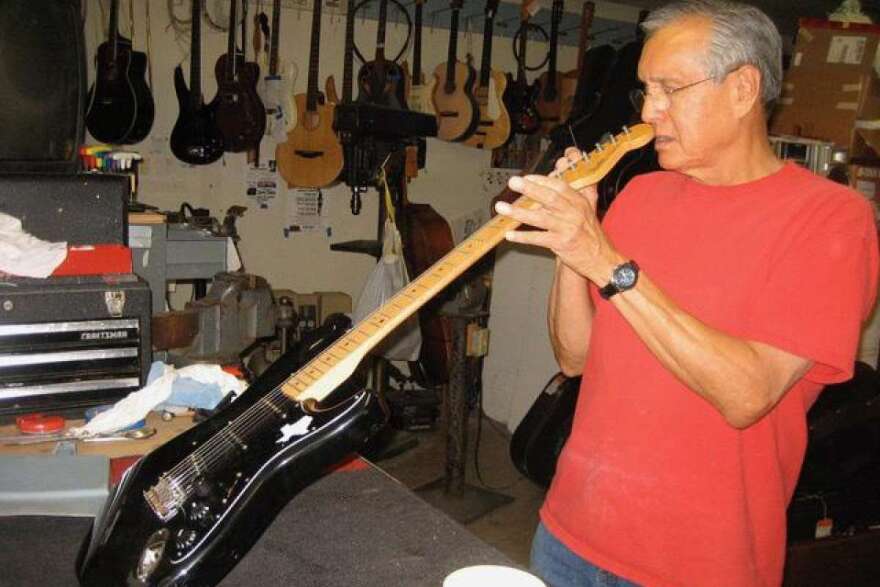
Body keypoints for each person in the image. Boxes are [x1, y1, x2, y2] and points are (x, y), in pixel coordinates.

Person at [494, 1, 879, 586]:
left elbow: (746, 394)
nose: (650, 112)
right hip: (569, 533)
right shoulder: (642, 195)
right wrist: (575, 247)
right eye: (646, 90)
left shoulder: (831, 220)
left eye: (671, 89)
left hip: (697, 566)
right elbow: (576, 357)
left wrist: (603, 257)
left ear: (744, 88)